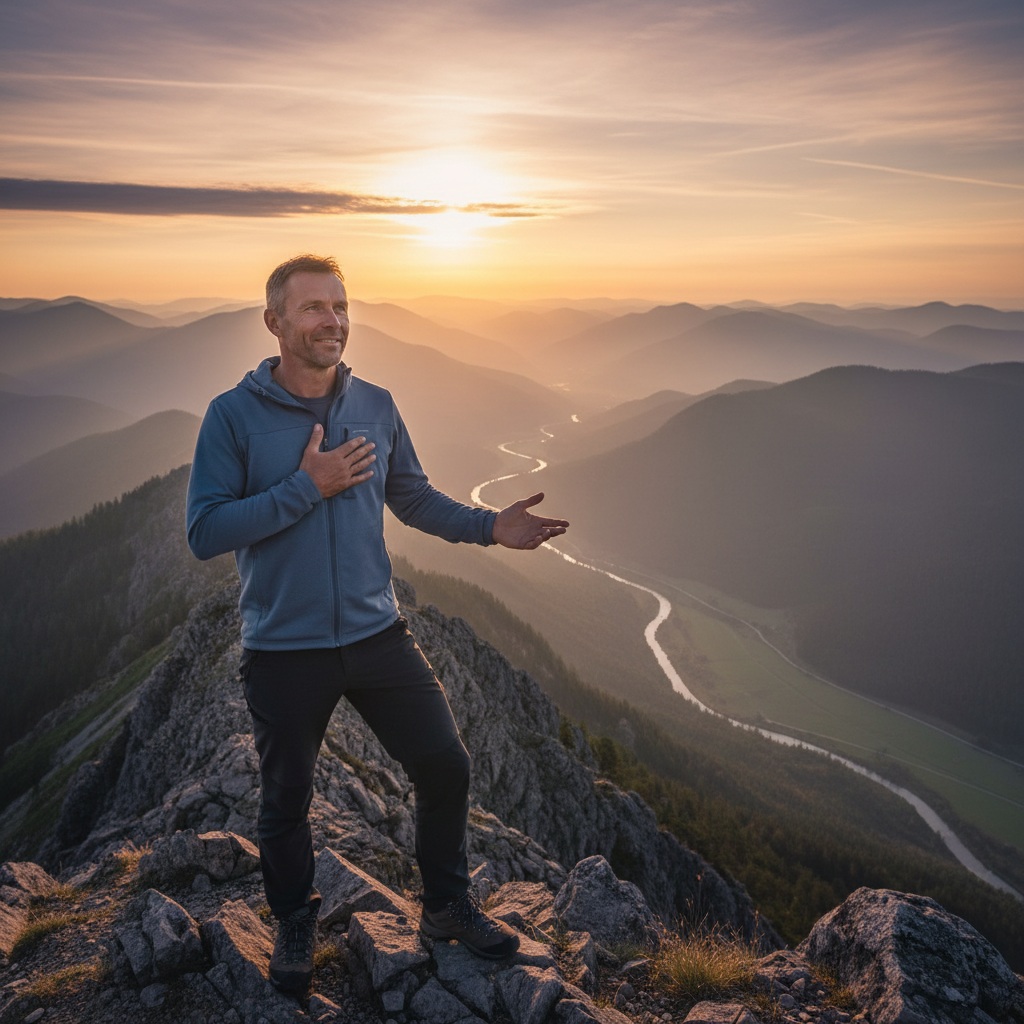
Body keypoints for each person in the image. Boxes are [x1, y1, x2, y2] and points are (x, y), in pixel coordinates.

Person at [186, 254, 569, 993]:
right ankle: (295, 920)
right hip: (284, 647)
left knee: (444, 765)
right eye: (312, 308)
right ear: (274, 323)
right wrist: (307, 486)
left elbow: (414, 497)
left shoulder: (377, 405)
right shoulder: (231, 416)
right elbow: (205, 530)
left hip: (375, 633)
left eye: (339, 305)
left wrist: (493, 527)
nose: (331, 320)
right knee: (285, 799)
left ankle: (448, 907)